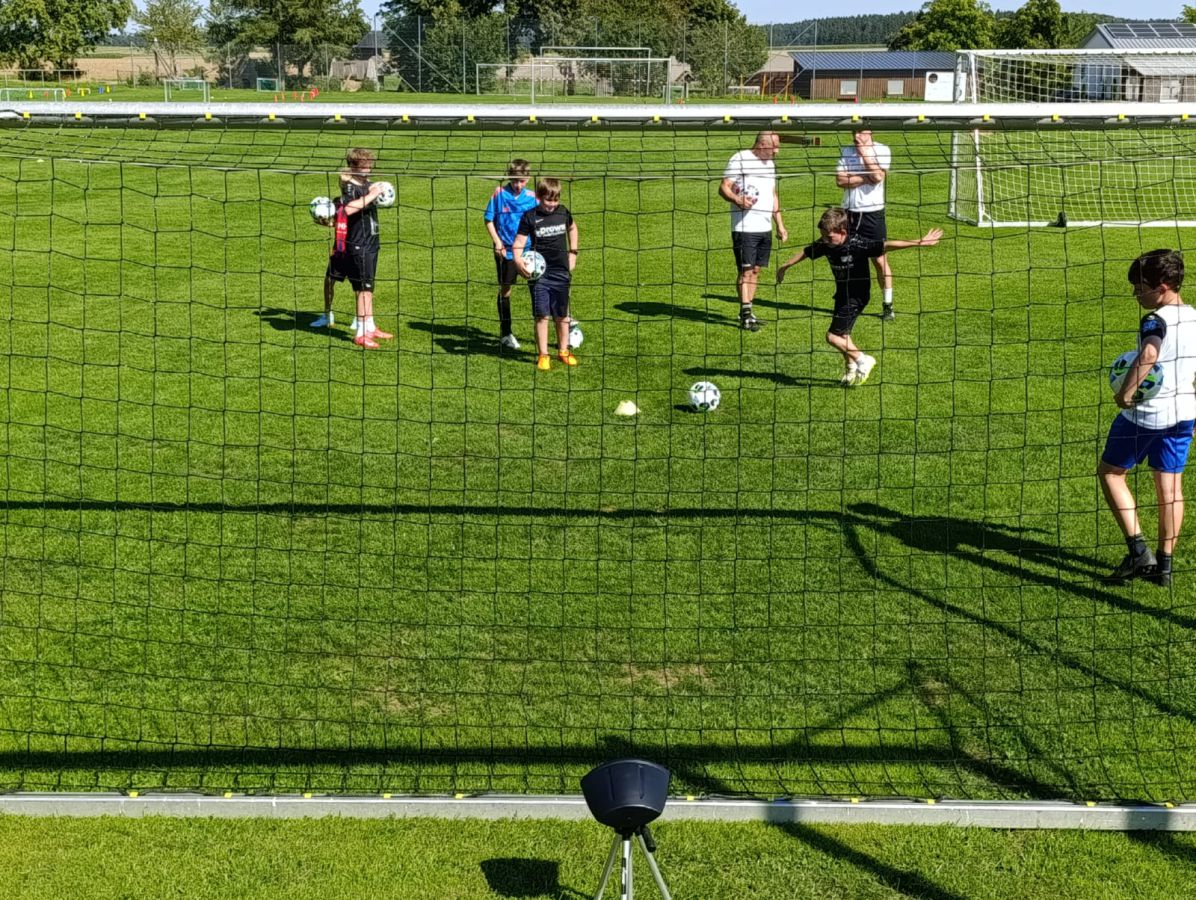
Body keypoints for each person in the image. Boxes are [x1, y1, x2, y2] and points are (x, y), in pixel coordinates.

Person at [1098, 249, 1196, 587]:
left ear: (1163, 287)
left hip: (1146, 416)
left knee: (1111, 473)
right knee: (1170, 488)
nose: (1135, 294)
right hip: (1184, 414)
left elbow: (1150, 352)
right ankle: (1164, 567)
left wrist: (1125, 394)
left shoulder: (1155, 320)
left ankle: (1139, 552)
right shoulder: (1194, 316)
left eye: (1140, 288)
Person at [775, 207, 941, 386]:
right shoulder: (826, 243)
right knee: (843, 335)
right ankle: (851, 369)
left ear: (843, 231)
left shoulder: (858, 244)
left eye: (829, 237)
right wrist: (785, 266)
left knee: (832, 337)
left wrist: (918, 242)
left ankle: (863, 360)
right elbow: (807, 252)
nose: (825, 240)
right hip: (842, 295)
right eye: (823, 236)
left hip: (857, 296)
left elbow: (887, 245)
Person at [312, 147, 389, 349]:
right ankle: (360, 334)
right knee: (362, 288)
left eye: (370, 166)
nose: (368, 170)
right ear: (354, 166)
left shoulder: (366, 184)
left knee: (369, 287)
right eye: (364, 166)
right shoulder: (350, 187)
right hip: (357, 244)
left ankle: (370, 326)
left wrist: (379, 190)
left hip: (371, 242)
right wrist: (372, 194)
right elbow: (347, 209)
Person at [719, 131, 787, 331]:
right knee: (746, 271)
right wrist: (737, 199)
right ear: (761, 145)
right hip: (745, 227)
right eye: (774, 147)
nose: (777, 151)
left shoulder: (770, 164)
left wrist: (779, 224)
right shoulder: (740, 158)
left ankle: (749, 311)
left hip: (765, 227)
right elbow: (724, 187)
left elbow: (773, 194)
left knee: (756, 271)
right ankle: (745, 314)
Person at [511, 178, 579, 371]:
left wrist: (573, 252)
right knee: (542, 315)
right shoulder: (530, 216)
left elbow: (573, 228)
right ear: (539, 197)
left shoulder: (563, 212)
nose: (552, 204)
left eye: (555, 200)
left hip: (561, 272)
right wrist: (518, 261)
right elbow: (518, 243)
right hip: (540, 275)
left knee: (562, 315)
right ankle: (543, 355)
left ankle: (563, 351)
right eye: (548, 200)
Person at [836, 130, 895, 321]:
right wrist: (865, 177)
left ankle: (888, 305)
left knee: (879, 260)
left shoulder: (882, 150)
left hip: (873, 214)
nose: (856, 135)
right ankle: (850, 301)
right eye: (854, 131)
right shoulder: (846, 151)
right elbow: (840, 180)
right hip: (849, 212)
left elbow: (878, 177)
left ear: (870, 131)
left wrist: (863, 153)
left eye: (860, 131)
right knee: (849, 260)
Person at [484, 158, 538, 350]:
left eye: (521, 181)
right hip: (505, 252)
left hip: (528, 252)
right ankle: (506, 333)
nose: (518, 185)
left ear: (528, 179)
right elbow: (488, 219)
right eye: (514, 181)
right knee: (506, 289)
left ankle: (540, 328)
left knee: (537, 289)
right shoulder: (499, 193)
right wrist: (497, 241)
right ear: (509, 177)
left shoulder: (532, 198)